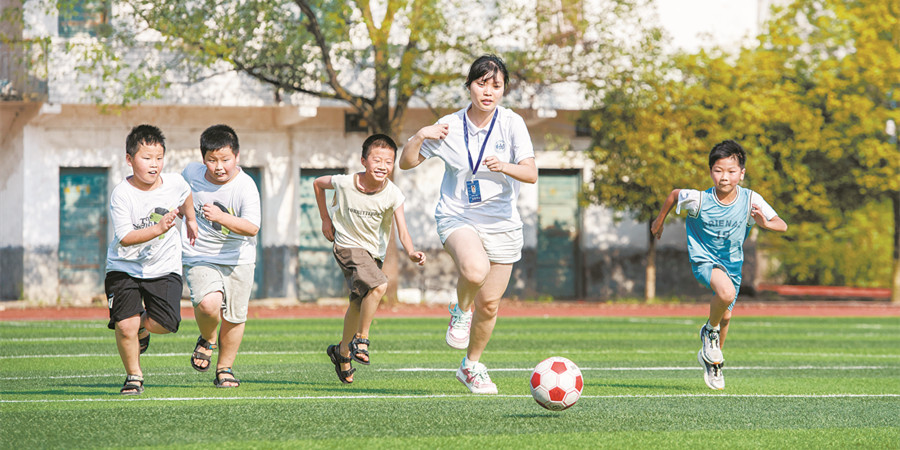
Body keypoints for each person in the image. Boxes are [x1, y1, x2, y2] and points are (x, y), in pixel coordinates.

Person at [399, 54, 538, 394]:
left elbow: (531, 173)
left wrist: (503, 166)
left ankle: (471, 366)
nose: (488, 92)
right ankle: (460, 310)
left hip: (503, 223)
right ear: (469, 86)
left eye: (496, 85)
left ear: (503, 90)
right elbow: (405, 163)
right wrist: (419, 135)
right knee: (474, 271)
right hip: (457, 215)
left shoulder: (511, 123)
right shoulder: (449, 125)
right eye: (481, 83)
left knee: (489, 305)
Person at [651, 139, 787, 390]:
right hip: (703, 261)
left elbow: (782, 224)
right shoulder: (699, 200)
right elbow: (673, 195)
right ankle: (707, 331)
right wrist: (659, 222)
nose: (724, 177)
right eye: (718, 170)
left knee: (726, 316)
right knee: (725, 294)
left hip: (733, 265)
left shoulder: (750, 199)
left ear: (742, 173)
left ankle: (713, 360)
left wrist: (765, 223)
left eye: (731, 171)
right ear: (710, 171)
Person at [314, 134, 426, 384]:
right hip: (346, 246)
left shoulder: (394, 194)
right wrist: (325, 218)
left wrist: (410, 251)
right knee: (379, 285)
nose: (383, 166)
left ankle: (341, 352)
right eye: (377, 160)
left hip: (373, 253)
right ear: (364, 160)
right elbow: (318, 183)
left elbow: (403, 230)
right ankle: (361, 340)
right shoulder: (344, 183)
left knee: (357, 303)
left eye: (389, 161)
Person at [105, 124, 198, 395]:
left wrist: (190, 219)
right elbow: (125, 237)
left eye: (159, 158)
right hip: (124, 267)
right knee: (125, 325)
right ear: (129, 159)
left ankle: (143, 328)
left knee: (166, 324)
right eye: (147, 158)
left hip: (164, 266)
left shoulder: (175, 183)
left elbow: (186, 193)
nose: (154, 164)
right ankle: (134, 376)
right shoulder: (121, 194)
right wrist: (159, 228)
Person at [181, 124, 261, 388]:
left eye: (225, 160)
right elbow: (180, 196)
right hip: (199, 253)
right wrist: (184, 217)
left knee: (235, 316)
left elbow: (252, 227)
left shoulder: (246, 186)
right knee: (208, 304)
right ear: (203, 158)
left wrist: (222, 217)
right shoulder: (191, 172)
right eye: (212, 160)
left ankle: (224, 369)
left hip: (239, 258)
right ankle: (208, 338)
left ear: (236, 157)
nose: (219, 166)